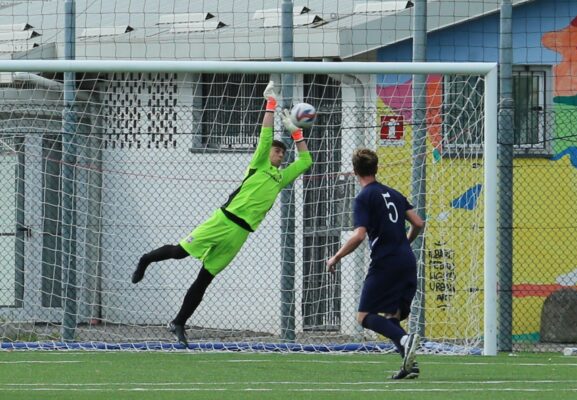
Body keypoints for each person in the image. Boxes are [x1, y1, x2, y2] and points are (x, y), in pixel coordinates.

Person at [131, 81, 313, 348]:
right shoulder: (258, 165)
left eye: (282, 152)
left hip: (240, 233)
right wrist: (271, 104)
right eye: (277, 150)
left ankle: (179, 323)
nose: (280, 154)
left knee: (205, 278)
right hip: (222, 221)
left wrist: (296, 135)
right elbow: (265, 136)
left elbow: (306, 162)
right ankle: (146, 259)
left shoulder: (280, 178)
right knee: (181, 252)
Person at [326, 148, 425, 380]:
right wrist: (404, 243)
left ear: (354, 171)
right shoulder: (394, 193)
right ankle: (410, 365)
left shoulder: (364, 197)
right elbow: (419, 223)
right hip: (407, 260)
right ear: (376, 168)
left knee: (364, 316)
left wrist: (336, 257)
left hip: (385, 262)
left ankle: (404, 340)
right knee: (392, 315)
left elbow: (359, 235)